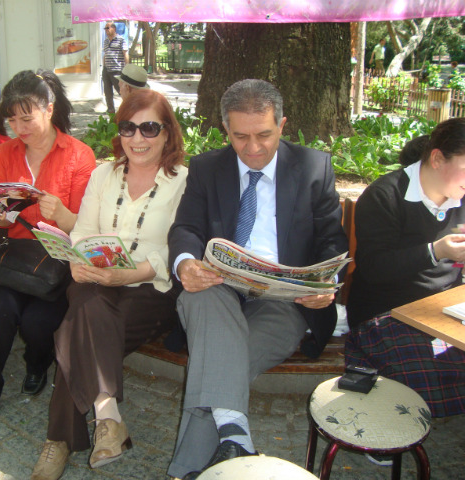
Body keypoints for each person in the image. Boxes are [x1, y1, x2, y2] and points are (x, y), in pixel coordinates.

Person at [166, 79, 348, 479]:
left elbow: (331, 241)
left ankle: (192, 467)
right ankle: (237, 439)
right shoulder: (207, 167)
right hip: (219, 288)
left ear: (282, 124)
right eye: (240, 136)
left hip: (284, 300)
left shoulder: (314, 167)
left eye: (264, 135)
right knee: (200, 296)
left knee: (218, 359)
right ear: (225, 129)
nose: (253, 148)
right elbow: (186, 228)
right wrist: (184, 264)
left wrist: (324, 284)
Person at [31, 89, 188, 480]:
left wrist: (129, 274)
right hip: (94, 280)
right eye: (128, 128)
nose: (137, 138)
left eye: (149, 128)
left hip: (149, 289)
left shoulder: (184, 181)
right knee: (88, 300)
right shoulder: (104, 175)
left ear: (167, 133)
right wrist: (83, 260)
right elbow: (83, 232)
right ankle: (108, 417)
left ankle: (61, 440)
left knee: (77, 324)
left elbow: (182, 247)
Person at [0, 69, 96, 438]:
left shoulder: (78, 155)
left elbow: (86, 226)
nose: (19, 126)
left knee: (38, 322)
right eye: (12, 118)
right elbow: (4, 224)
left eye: (27, 116)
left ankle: (37, 364)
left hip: (59, 257)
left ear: (48, 109)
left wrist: (64, 216)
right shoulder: (5, 153)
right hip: (17, 255)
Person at [345, 118, 465, 419]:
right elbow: (374, 269)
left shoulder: (460, 196)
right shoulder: (386, 195)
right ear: (437, 158)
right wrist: (435, 251)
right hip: (385, 313)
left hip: (444, 312)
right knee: (427, 385)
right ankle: (387, 423)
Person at [102, 21, 129, 114]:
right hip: (106, 70)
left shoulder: (121, 40)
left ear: (114, 28)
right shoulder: (105, 41)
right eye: (105, 28)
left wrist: (127, 68)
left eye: (108, 28)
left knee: (121, 91)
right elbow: (105, 54)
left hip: (117, 70)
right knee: (107, 92)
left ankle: (128, 107)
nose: (106, 30)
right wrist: (104, 66)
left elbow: (125, 53)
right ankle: (110, 110)